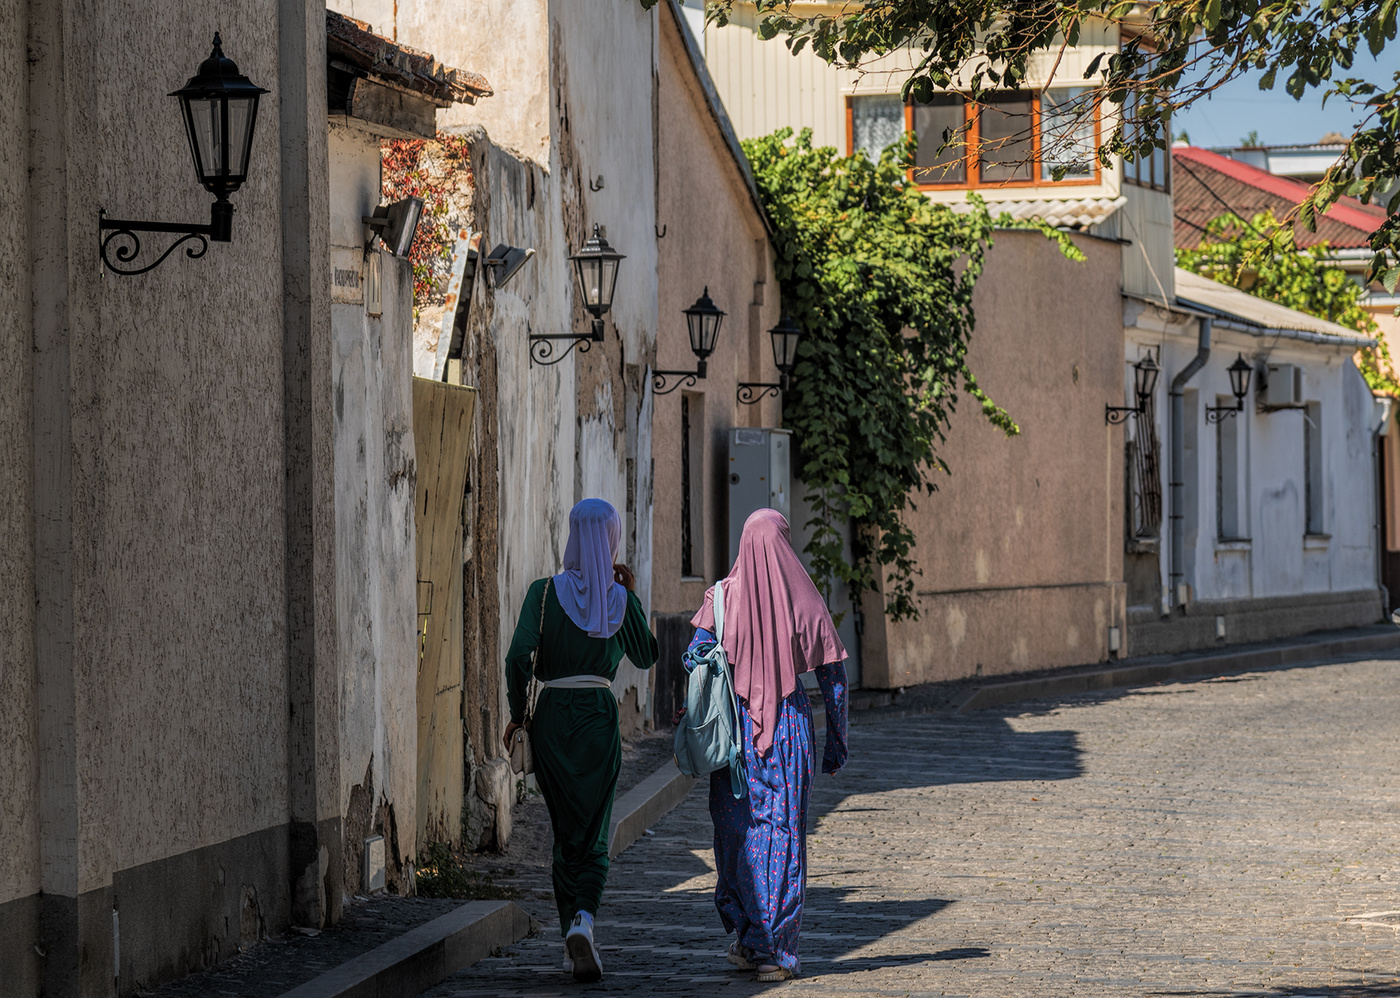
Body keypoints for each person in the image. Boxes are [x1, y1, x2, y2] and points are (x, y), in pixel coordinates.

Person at [686, 508, 849, 982]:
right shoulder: (803, 596)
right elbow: (834, 677)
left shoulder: (720, 599)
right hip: (788, 729)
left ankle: (749, 935)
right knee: (782, 833)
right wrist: (836, 743)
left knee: (737, 832)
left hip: (735, 735)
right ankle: (773, 948)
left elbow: (695, 657)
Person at [503, 498, 658, 984]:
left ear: (571, 534)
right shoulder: (619, 598)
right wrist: (629, 596)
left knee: (565, 830)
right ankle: (584, 922)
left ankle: (571, 940)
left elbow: (516, 658)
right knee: (594, 832)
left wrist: (518, 714)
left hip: (550, 718)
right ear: (610, 540)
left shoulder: (543, 594)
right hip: (597, 717)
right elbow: (648, 655)